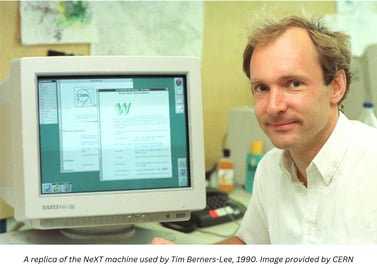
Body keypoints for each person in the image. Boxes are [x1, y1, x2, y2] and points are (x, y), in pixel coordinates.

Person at [153, 15, 377, 244]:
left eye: (293, 84)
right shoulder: (270, 168)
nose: (273, 106)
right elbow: (250, 244)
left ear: (336, 87)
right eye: (261, 88)